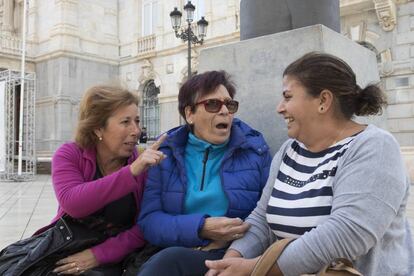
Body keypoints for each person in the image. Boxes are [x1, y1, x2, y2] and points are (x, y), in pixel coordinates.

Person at [205, 52, 414, 276]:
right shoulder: (289, 150)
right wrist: (231, 261)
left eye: (288, 96)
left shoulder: (374, 147)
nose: (280, 107)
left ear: (323, 101)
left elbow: (347, 234)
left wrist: (255, 269)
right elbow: (261, 219)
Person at [137, 70, 272, 275]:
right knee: (167, 262)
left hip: (235, 254)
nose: (225, 111)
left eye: (230, 104)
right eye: (212, 104)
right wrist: (200, 227)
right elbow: (150, 221)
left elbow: (270, 215)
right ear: (189, 114)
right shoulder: (165, 153)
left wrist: (234, 252)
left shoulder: (255, 150)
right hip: (177, 250)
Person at [42, 86, 166, 275]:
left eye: (137, 121)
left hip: (119, 255)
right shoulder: (69, 154)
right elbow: (73, 203)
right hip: (70, 246)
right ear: (98, 127)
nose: (136, 130)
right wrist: (130, 173)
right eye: (126, 122)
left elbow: (146, 225)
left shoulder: (143, 164)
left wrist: (98, 255)